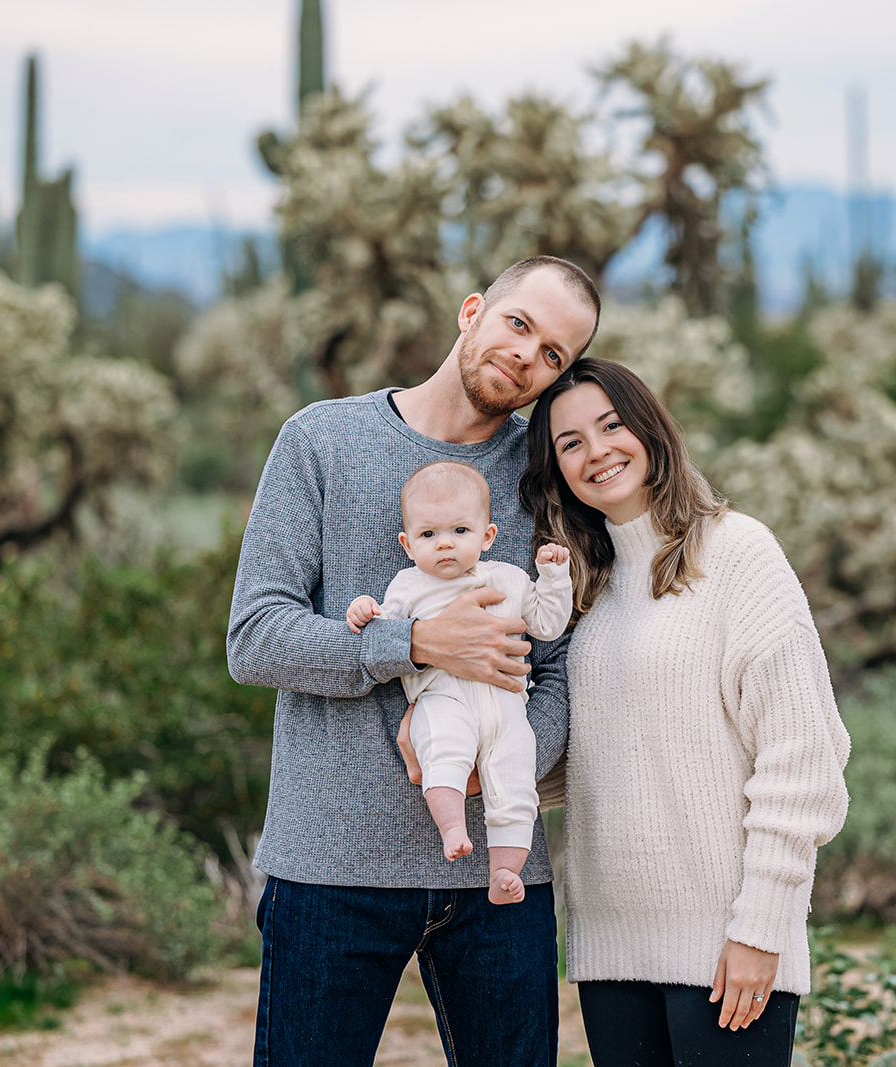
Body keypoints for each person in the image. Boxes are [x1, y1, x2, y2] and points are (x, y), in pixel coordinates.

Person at [228, 255, 599, 1067]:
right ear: (474, 311)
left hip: (500, 876)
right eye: (520, 325)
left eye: (554, 356)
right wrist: (413, 643)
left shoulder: (543, 478)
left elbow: (563, 662)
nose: (528, 356)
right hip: (331, 865)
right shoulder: (321, 439)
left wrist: (501, 761)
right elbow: (254, 636)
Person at [518, 358, 851, 1067]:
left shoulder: (738, 552)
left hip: (727, 940)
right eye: (570, 442)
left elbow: (801, 757)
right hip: (611, 943)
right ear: (556, 468)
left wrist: (761, 927)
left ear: (651, 429)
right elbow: (596, 752)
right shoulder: (586, 584)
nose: (597, 450)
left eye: (611, 425)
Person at [345, 460, 573, 906]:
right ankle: (452, 827)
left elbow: (548, 624)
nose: (445, 543)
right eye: (429, 535)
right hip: (442, 698)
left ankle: (505, 872)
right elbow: (384, 633)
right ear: (408, 545)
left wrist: (553, 577)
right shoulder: (409, 586)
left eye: (460, 531)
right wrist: (363, 610)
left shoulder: (509, 578)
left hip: (508, 708)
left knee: (515, 780)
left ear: (487, 536)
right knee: (442, 749)